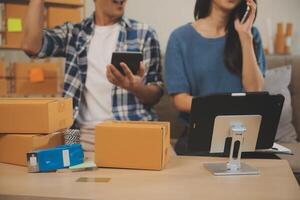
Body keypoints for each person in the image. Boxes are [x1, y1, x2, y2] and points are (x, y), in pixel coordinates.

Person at [22, 0, 163, 151]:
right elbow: (31, 46)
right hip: (84, 135)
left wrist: (136, 87)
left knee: (169, 166)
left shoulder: (144, 33)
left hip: (133, 129)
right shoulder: (74, 33)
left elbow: (156, 94)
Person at [164, 0, 265, 155]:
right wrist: (226, 107)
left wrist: (245, 36)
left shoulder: (250, 34)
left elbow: (255, 90)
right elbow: (180, 100)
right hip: (198, 135)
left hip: (242, 134)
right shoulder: (180, 38)